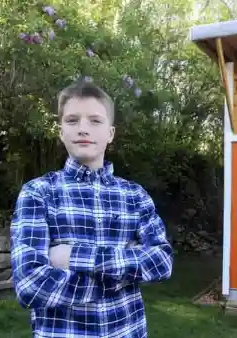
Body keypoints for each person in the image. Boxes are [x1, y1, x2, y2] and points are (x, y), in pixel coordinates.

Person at [10, 80, 174, 338]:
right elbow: (31, 286)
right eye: (72, 120)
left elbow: (162, 262)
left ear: (110, 133)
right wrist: (123, 278)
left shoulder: (135, 196)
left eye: (95, 121)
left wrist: (74, 258)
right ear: (61, 131)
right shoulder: (39, 192)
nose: (83, 128)